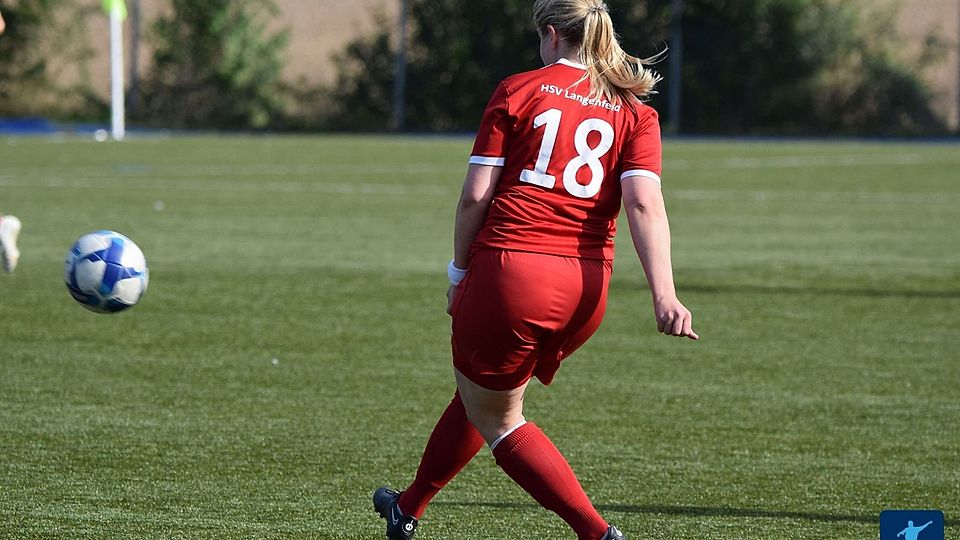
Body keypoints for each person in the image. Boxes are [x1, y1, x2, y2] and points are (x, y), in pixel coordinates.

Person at [373, 1, 697, 538]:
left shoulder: (520, 89)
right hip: (586, 291)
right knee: (480, 396)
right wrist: (665, 295)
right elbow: (643, 206)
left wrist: (458, 274)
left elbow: (476, 196)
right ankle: (406, 510)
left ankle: (597, 532)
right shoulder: (635, 110)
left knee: (500, 420)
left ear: (551, 35)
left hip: (513, 278)